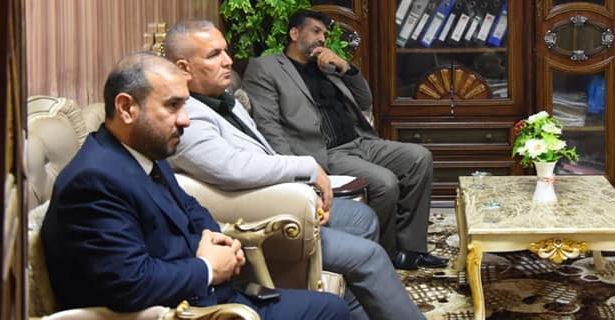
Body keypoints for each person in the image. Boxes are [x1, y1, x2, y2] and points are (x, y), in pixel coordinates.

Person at [41, 51, 349, 319]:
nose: (185, 120)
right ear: (126, 108)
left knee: (328, 306)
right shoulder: (94, 181)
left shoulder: (145, 152)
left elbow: (190, 206)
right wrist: (207, 267)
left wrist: (215, 239)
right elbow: (131, 283)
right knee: (329, 311)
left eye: (184, 106)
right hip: (182, 312)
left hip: (208, 297)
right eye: (172, 106)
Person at [163, 19, 425, 320]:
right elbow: (233, 167)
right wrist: (306, 172)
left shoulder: (223, 98)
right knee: (372, 246)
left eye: (225, 51)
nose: (228, 61)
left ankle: (359, 309)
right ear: (183, 68)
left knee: (363, 216)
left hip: (341, 152)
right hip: (264, 214)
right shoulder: (188, 117)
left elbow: (364, 100)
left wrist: (345, 68)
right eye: (214, 55)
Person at [243, 9, 447, 270]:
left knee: (419, 157)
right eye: (315, 31)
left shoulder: (325, 67)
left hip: (360, 141)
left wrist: (345, 67)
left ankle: (412, 249)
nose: (322, 39)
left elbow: (365, 101)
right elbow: (268, 125)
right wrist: (298, 169)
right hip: (327, 152)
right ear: (294, 34)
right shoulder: (267, 67)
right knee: (385, 183)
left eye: (324, 34)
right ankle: (384, 254)